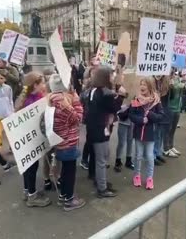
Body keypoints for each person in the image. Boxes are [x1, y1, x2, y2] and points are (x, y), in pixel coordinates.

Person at [86, 66, 126, 198]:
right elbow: (115, 108)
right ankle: (102, 189)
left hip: (92, 128)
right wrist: (121, 95)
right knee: (102, 160)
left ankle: (100, 182)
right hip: (101, 129)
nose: (113, 77)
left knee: (99, 158)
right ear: (105, 77)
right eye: (111, 75)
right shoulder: (105, 92)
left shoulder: (93, 90)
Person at [48, 74, 86, 211]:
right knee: (69, 171)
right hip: (68, 141)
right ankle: (69, 200)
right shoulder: (62, 102)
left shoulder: (51, 99)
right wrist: (75, 99)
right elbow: (77, 118)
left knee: (64, 170)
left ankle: (63, 195)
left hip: (59, 141)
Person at [15, 72, 51, 207]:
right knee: (31, 167)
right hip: (30, 139)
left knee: (29, 167)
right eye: (42, 83)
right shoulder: (32, 101)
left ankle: (28, 191)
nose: (43, 85)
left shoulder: (31, 97)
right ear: (35, 84)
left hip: (28, 138)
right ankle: (32, 197)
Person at [129, 77, 164, 190]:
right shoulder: (136, 99)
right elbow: (131, 115)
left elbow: (161, 116)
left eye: (144, 84)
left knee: (149, 156)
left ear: (150, 86)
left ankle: (149, 178)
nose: (142, 87)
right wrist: (140, 120)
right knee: (138, 156)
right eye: (141, 84)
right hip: (138, 132)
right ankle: (137, 176)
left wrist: (150, 115)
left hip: (150, 134)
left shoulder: (156, 100)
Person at [164, 71, 184, 157]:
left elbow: (182, 90)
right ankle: (166, 148)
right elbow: (170, 92)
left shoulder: (177, 80)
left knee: (173, 130)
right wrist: (172, 86)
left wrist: (183, 83)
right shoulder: (166, 82)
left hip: (177, 108)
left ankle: (171, 146)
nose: (173, 75)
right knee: (168, 130)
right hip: (170, 108)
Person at [153, 75, 170, 165]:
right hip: (154, 111)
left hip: (162, 111)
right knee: (155, 134)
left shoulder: (164, 82)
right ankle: (153, 155)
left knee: (159, 134)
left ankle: (158, 152)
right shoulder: (151, 81)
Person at [114, 103, 134, 172]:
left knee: (130, 141)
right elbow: (118, 110)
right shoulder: (124, 99)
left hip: (132, 123)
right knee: (121, 143)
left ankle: (128, 160)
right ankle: (118, 161)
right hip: (123, 122)